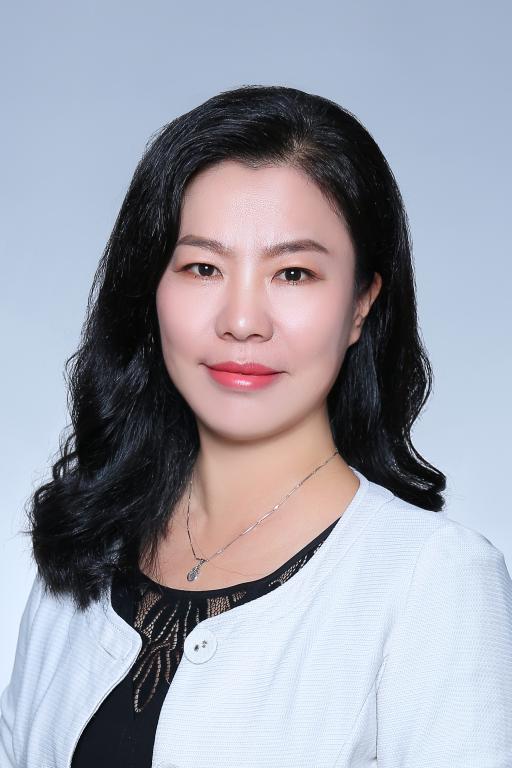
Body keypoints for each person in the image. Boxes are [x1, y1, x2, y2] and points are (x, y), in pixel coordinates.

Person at [1, 84, 511, 768]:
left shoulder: (433, 581)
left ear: (361, 303)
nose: (242, 321)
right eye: (202, 267)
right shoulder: (84, 546)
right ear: (151, 288)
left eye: (293, 273)